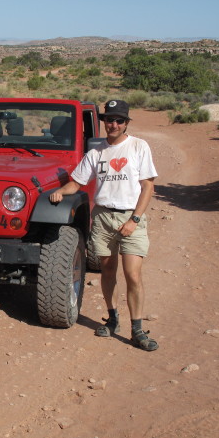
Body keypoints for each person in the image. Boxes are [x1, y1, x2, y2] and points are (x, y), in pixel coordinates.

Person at [49, 100, 159, 351]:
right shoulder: (96, 152)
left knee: (132, 274)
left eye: (119, 120)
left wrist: (134, 220)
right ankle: (112, 319)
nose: (114, 124)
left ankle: (138, 329)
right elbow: (76, 183)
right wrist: (59, 193)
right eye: (110, 119)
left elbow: (148, 187)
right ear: (104, 122)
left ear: (126, 123)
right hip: (102, 218)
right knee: (108, 272)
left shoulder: (138, 147)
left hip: (130, 217)